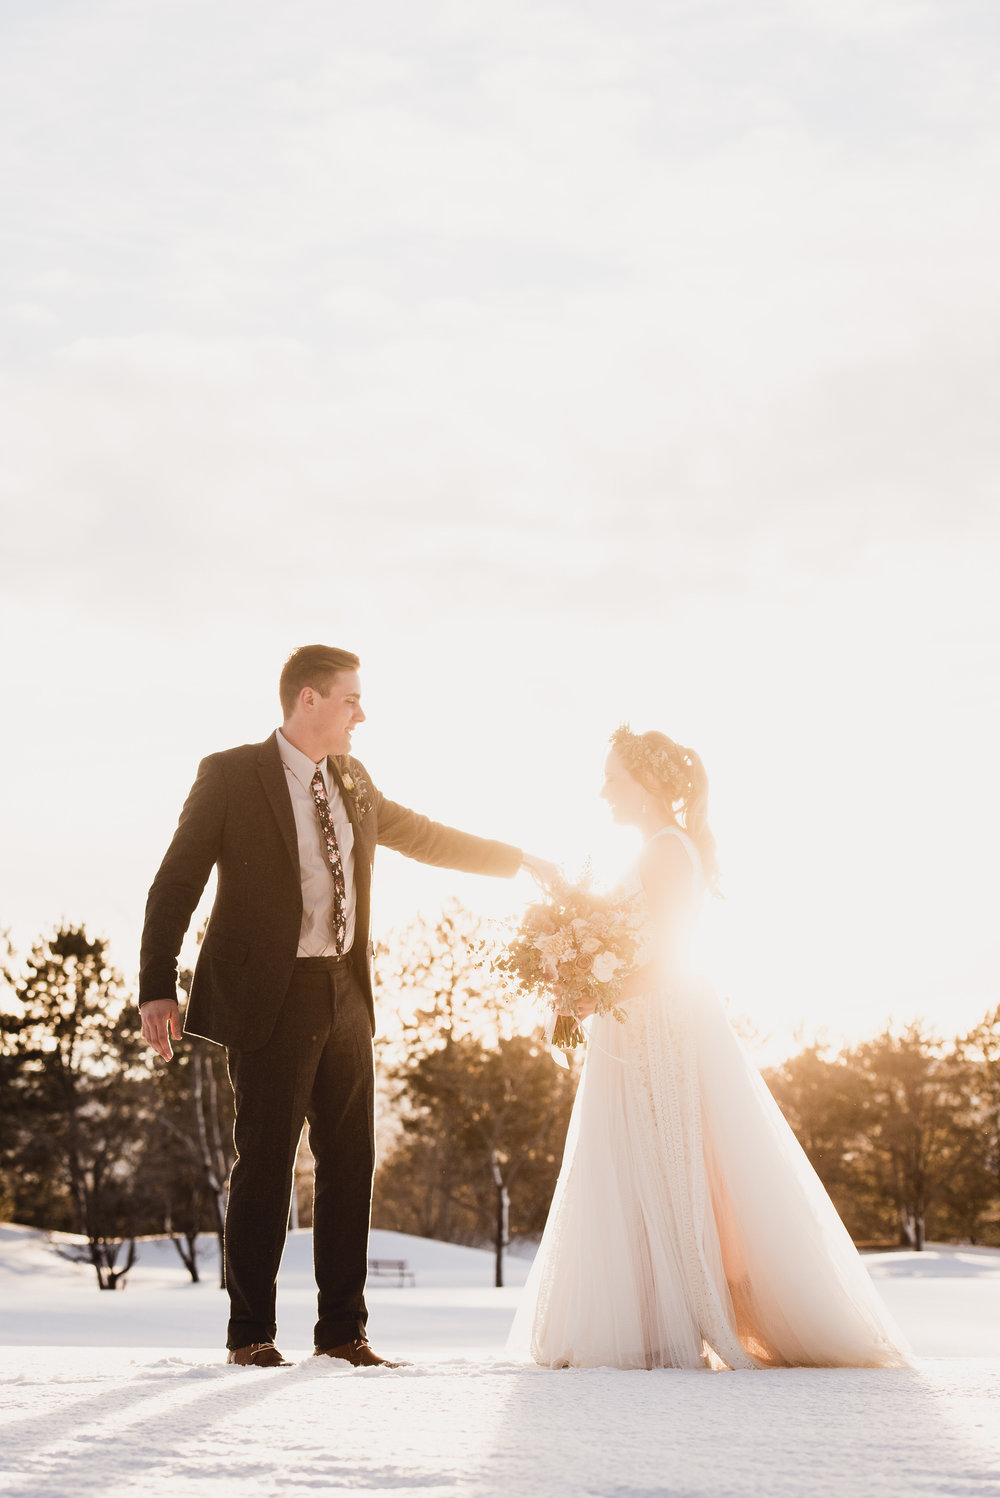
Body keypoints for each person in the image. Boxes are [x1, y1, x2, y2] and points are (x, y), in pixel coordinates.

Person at [140, 644, 555, 1369]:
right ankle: (251, 1336)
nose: (361, 714)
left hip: (347, 992)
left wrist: (514, 860)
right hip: (273, 998)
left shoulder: (354, 779)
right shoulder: (231, 776)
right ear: (309, 699)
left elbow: (420, 834)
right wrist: (155, 985)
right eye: (350, 700)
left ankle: (341, 1333)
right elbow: (175, 883)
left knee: (351, 1164)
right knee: (265, 1164)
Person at [510, 725, 911, 1371]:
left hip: (660, 1022)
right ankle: (646, 1319)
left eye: (613, 777)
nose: (603, 790)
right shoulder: (655, 848)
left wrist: (591, 991)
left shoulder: (667, 851)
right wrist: (578, 976)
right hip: (632, 1020)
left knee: (675, 1163)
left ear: (645, 786)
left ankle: (692, 1311)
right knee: (637, 1164)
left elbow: (667, 953)